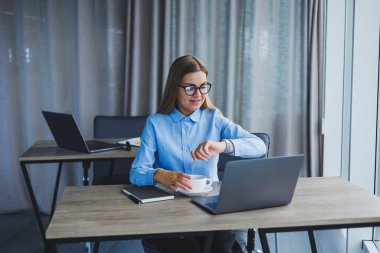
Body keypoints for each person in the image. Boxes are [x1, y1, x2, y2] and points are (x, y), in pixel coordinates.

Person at [130, 55, 266, 253]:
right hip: (170, 209)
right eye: (190, 87)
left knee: (218, 244)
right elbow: (136, 172)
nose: (198, 94)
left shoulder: (214, 118)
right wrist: (159, 174)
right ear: (174, 89)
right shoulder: (155, 123)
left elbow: (259, 145)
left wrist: (223, 146)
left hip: (211, 207)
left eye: (203, 86)